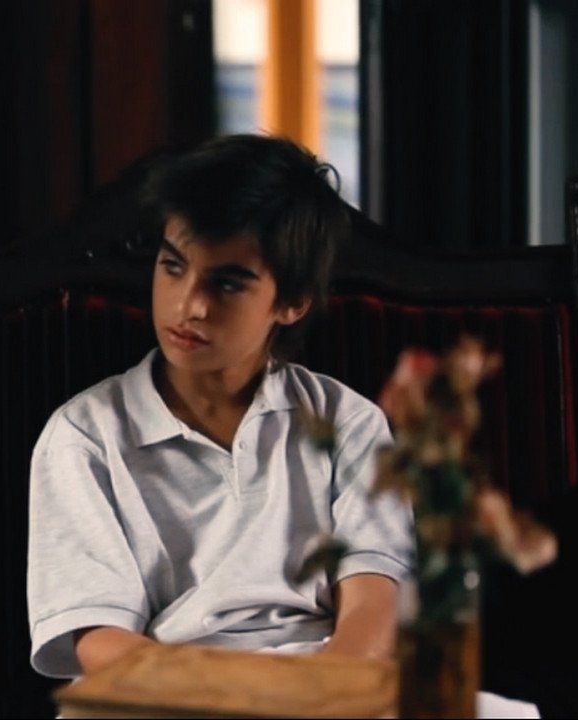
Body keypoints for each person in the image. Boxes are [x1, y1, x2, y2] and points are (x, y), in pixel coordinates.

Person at [25, 134, 414, 680]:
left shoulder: (349, 424)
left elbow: (375, 604)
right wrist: (235, 694)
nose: (189, 306)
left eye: (227, 284)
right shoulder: (85, 435)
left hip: (323, 685)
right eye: (173, 266)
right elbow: (99, 639)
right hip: (162, 693)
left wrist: (319, 693)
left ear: (291, 303)